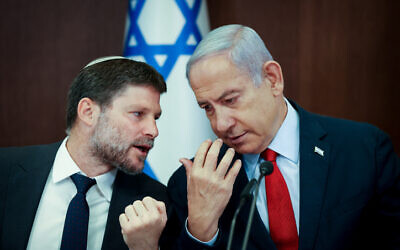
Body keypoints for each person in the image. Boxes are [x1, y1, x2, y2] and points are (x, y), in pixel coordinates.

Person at [167, 24, 400, 249]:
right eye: (207, 107)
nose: (220, 123)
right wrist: (200, 231)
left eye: (230, 100)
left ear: (272, 79)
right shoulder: (190, 184)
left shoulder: (365, 151)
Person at [0, 56, 175, 250]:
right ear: (88, 112)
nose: (153, 130)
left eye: (155, 117)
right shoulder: (5, 170)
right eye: (138, 114)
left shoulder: (159, 203)